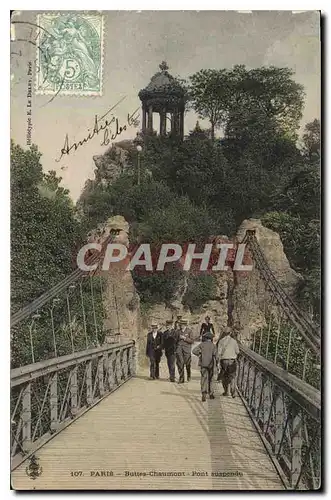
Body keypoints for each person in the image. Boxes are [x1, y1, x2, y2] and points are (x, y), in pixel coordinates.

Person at [192, 331, 218, 402]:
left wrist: (200, 354)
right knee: (211, 379)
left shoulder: (202, 344)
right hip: (211, 364)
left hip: (203, 364)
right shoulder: (213, 346)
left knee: (203, 378)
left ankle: (203, 393)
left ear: (205, 338)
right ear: (211, 339)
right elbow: (216, 356)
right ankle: (211, 393)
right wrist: (217, 364)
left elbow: (194, 351)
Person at [217, 327, 239, 397]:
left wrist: (218, 362)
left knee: (224, 376)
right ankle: (233, 392)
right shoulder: (234, 341)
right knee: (232, 376)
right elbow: (237, 351)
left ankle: (226, 392)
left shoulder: (221, 341)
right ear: (230, 333)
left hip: (224, 361)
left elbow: (219, 352)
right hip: (232, 361)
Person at [175, 318, 194, 383]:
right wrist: (176, 349)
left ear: (185, 325)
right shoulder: (177, 331)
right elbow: (176, 341)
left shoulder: (189, 331)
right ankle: (181, 378)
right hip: (179, 349)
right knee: (180, 363)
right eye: (180, 324)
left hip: (187, 350)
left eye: (183, 324)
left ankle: (189, 375)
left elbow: (192, 341)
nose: (181, 326)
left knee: (188, 364)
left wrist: (185, 338)